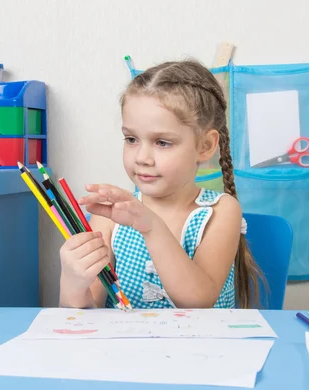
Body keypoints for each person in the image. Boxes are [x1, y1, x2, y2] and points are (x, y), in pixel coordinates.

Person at [59, 59, 263, 310]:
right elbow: (81, 318)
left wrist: (152, 227)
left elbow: (197, 301)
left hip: (204, 347)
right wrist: (72, 280)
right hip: (126, 349)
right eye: (131, 139)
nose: (142, 158)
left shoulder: (221, 211)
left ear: (205, 146)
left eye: (162, 142)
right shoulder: (111, 218)